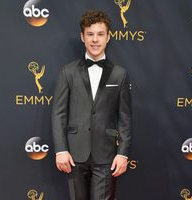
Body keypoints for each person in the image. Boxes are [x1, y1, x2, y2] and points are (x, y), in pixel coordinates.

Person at [52, 9, 132, 200]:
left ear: (108, 37)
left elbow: (125, 118)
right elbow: (58, 113)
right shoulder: (67, 72)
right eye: (90, 34)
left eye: (100, 34)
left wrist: (123, 154)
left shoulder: (120, 74)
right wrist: (61, 150)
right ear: (82, 37)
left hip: (106, 156)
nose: (95, 39)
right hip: (73, 155)